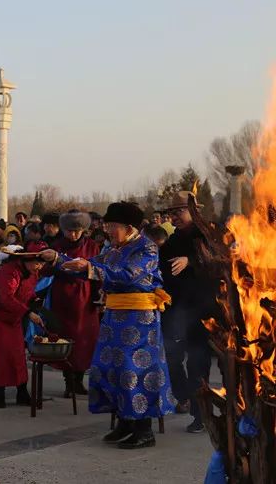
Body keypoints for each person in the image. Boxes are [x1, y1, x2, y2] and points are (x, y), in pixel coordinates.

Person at [42, 201, 175, 449]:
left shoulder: (146, 248)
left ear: (128, 227)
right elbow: (89, 266)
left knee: (134, 370)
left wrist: (90, 267)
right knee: (110, 367)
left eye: (113, 226)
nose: (109, 230)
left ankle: (144, 430)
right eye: (108, 225)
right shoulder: (114, 248)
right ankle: (124, 422)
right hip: (114, 317)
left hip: (140, 320)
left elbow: (127, 275)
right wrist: (57, 259)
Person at [159, 192, 218, 433]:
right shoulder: (171, 241)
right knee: (170, 357)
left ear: (194, 211)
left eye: (179, 212)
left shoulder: (208, 235)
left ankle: (201, 414)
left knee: (197, 363)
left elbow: (218, 261)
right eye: (172, 213)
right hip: (174, 309)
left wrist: (191, 260)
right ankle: (182, 395)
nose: (174, 217)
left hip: (201, 310)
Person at [0, 245, 46, 407]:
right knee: (1, 355)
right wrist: (28, 313)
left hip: (14, 316)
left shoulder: (32, 272)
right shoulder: (9, 271)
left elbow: (28, 291)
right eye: (37, 262)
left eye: (41, 263)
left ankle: (22, 392)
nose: (39, 266)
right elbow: (6, 298)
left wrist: (34, 301)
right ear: (26, 260)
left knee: (17, 354)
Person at [45, 211, 100, 397]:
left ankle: (79, 380)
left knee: (84, 340)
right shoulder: (57, 246)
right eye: (70, 231)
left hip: (86, 298)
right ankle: (68, 381)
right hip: (63, 296)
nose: (74, 235)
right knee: (65, 338)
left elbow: (99, 270)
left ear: (84, 230)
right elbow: (45, 271)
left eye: (77, 231)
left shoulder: (92, 246)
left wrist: (99, 296)